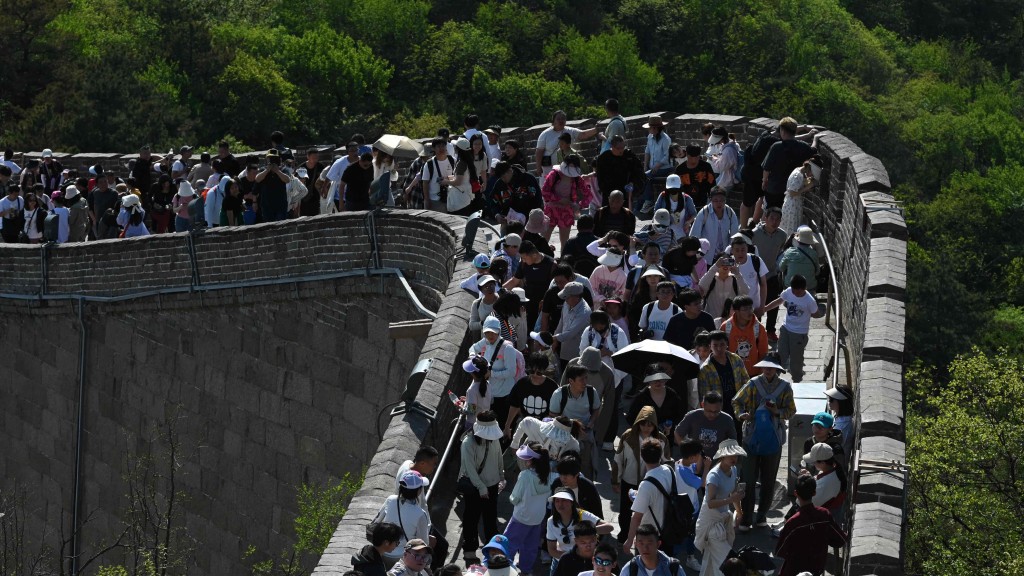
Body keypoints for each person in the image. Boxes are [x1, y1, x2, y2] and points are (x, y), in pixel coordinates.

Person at [732, 353, 796, 530]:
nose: (768, 370)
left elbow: (791, 411)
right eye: (765, 367)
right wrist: (741, 415)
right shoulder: (752, 384)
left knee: (769, 480)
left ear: (777, 369)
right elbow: (737, 401)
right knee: (748, 480)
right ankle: (745, 517)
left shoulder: (785, 388)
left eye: (771, 367)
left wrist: (777, 412)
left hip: (773, 437)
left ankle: (761, 516)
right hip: (751, 436)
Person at [612, 407, 670, 540]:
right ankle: (624, 536)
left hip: (651, 483)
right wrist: (615, 480)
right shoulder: (628, 436)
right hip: (629, 481)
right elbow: (618, 459)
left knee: (647, 514)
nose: (646, 428)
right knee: (625, 512)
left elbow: (667, 461)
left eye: (650, 425)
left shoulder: (661, 439)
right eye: (643, 424)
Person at [774, 475, 847, 576]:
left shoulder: (792, 523)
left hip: (793, 571)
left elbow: (779, 552)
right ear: (814, 492)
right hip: (816, 568)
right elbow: (840, 540)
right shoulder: (824, 514)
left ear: (796, 493)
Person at [694, 439, 745, 576]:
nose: (734, 458)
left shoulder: (733, 470)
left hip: (723, 519)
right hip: (711, 523)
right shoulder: (714, 475)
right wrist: (731, 499)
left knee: (712, 559)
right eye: (730, 455)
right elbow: (710, 503)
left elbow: (734, 493)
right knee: (727, 561)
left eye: (735, 455)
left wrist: (739, 511)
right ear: (723, 456)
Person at [459, 411, 504, 563]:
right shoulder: (468, 443)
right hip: (474, 487)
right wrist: (481, 487)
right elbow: (469, 469)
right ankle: (470, 548)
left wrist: (501, 477)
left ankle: (493, 548)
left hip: (492, 484)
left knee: (491, 518)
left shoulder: (494, 440)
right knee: (471, 518)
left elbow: (499, 458)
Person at [622, 439, 681, 553]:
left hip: (649, 537)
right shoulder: (669, 470)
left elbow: (637, 517)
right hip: (670, 531)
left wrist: (629, 541)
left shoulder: (646, 485)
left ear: (641, 456)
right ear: (660, 454)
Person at [763, 274, 822, 382]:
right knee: (780, 356)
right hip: (786, 329)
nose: (795, 293)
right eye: (794, 291)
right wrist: (765, 308)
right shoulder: (789, 291)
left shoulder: (809, 301)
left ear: (804, 289)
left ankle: (797, 380)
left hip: (799, 334)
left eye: (797, 292)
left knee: (796, 360)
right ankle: (774, 379)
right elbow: (779, 301)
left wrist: (809, 313)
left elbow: (816, 313)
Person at [503, 443, 550, 573]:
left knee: (509, 544)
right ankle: (525, 570)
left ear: (530, 461)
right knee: (530, 547)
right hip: (538, 518)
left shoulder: (525, 475)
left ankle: (505, 570)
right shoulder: (549, 475)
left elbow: (515, 498)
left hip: (521, 517)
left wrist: (509, 497)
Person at [471, 318, 526, 429]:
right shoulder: (485, 342)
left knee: (501, 424)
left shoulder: (507, 348)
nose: (490, 335)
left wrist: (492, 374)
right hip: (490, 393)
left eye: (493, 332)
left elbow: (511, 372)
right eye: (487, 332)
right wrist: (473, 358)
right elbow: (473, 348)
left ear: (498, 331)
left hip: (504, 394)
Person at [549, 365, 601, 478]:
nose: (585, 382)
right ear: (571, 381)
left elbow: (597, 409)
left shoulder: (592, 392)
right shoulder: (559, 394)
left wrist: (591, 422)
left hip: (586, 434)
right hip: (565, 435)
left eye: (586, 378)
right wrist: (571, 426)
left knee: (586, 465)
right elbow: (553, 415)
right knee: (565, 464)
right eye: (581, 379)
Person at [370, 471, 432, 562]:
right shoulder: (420, 514)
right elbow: (423, 543)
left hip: (382, 550)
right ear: (418, 491)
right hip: (401, 557)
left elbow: (376, 522)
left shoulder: (390, 500)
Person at [697, 330, 749, 433]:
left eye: (722, 344)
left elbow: (746, 382)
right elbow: (704, 396)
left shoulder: (736, 359)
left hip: (738, 407)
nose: (719, 348)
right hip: (719, 410)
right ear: (710, 346)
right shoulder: (705, 369)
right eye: (715, 345)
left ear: (727, 345)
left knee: (739, 438)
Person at [761, 117, 816, 212]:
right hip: (793, 189)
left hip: (774, 188)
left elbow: (766, 168)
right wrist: (815, 138)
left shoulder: (776, 146)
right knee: (786, 216)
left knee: (771, 213)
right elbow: (813, 150)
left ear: (782, 131)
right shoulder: (802, 146)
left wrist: (764, 181)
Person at [751, 206, 789, 341]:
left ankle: (770, 330)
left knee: (773, 304)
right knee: (757, 304)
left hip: (772, 273)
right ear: (765, 218)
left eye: (778, 219)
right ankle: (756, 332)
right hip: (756, 275)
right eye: (772, 218)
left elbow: (780, 251)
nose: (774, 221)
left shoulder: (782, 235)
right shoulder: (755, 234)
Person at [541, 155, 592, 252]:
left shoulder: (577, 178)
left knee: (565, 242)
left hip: (566, 211)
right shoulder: (554, 174)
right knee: (544, 239)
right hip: (551, 210)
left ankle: (564, 261)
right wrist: (559, 199)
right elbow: (544, 191)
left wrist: (579, 205)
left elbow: (589, 195)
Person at [546, 499, 609, 574]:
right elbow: (552, 550)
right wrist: (571, 558)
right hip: (561, 560)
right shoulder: (551, 521)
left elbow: (609, 527)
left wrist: (588, 530)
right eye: (557, 501)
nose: (560, 504)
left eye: (564, 500)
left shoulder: (582, 514)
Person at [505, 241, 558, 331]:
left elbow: (555, 287)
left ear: (534, 255)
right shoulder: (523, 264)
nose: (523, 260)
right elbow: (514, 281)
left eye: (525, 258)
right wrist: (500, 289)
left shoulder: (552, 265)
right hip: (527, 305)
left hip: (544, 307)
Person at [504, 352, 558, 437]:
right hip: (524, 425)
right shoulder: (521, 383)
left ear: (545, 370)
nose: (535, 375)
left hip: (544, 428)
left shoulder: (552, 387)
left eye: (539, 373)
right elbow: (514, 405)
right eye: (532, 371)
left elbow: (555, 412)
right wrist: (507, 426)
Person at [534, 110, 600, 179]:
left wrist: (596, 129)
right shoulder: (545, 134)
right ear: (553, 121)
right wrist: (538, 167)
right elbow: (539, 151)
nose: (561, 121)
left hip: (565, 170)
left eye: (563, 118)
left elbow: (583, 134)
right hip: (548, 168)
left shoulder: (569, 131)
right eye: (558, 119)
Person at [625, 367, 687, 440]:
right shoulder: (641, 396)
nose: (658, 382)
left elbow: (680, 413)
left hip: (667, 436)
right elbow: (631, 417)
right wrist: (643, 428)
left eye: (661, 379)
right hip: (646, 438)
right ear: (649, 381)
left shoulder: (672, 394)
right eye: (654, 379)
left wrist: (671, 424)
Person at [674, 392, 736, 462]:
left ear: (721, 406)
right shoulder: (692, 416)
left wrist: (724, 458)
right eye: (709, 411)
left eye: (716, 411)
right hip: (695, 463)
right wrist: (686, 451)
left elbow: (733, 442)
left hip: (717, 462)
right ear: (702, 405)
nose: (712, 415)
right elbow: (678, 433)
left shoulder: (727, 419)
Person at [720, 295, 768, 376]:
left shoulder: (759, 327)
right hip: (732, 373)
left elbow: (763, 352)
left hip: (753, 373)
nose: (749, 311)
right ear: (736, 311)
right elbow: (720, 350)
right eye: (745, 309)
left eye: (750, 308)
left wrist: (761, 372)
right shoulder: (726, 326)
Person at [690, 187, 739, 266]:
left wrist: (731, 250)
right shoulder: (704, 212)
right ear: (710, 200)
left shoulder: (730, 212)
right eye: (715, 200)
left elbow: (735, 235)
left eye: (721, 200)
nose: (719, 203)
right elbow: (695, 233)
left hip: (724, 255)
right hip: (706, 256)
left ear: (725, 200)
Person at [801, 442, 848, 524]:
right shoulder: (832, 470)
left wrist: (803, 482)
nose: (813, 464)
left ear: (822, 463)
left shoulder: (828, 482)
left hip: (823, 523)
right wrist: (810, 477)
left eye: (814, 462)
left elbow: (806, 503)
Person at [489, 161, 543, 230]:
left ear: (510, 171)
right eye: (501, 178)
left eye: (503, 176)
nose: (503, 179)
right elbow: (493, 200)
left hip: (528, 222)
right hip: (508, 223)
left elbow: (537, 200)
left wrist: (534, 218)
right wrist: (497, 214)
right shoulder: (500, 183)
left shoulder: (528, 179)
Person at [593, 135, 644, 208]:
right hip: (609, 193)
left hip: (625, 192)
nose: (621, 150)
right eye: (618, 148)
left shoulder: (629, 156)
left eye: (623, 147)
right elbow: (601, 178)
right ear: (612, 147)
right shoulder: (603, 158)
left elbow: (638, 172)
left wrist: (632, 183)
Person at [551, 452, 604, 519]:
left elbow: (597, 511)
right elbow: (554, 508)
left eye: (566, 475)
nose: (563, 478)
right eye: (561, 474)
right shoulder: (557, 484)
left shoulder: (588, 486)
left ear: (576, 474)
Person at [552, 283, 592, 368]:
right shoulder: (567, 304)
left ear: (576, 297)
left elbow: (570, 333)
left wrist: (553, 338)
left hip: (576, 355)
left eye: (567, 296)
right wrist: (554, 342)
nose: (565, 299)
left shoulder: (585, 313)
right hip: (563, 352)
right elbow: (561, 323)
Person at [620, 524, 684, 576]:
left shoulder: (673, 568)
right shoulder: (630, 569)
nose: (645, 548)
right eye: (641, 543)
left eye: (650, 543)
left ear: (658, 544)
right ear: (635, 544)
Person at [639, 116, 673, 214]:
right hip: (652, 168)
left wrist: (657, 166)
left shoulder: (665, 139)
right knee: (644, 176)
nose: (649, 129)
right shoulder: (650, 137)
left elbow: (667, 156)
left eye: (650, 127)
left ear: (655, 128)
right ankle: (644, 202)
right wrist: (645, 166)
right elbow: (647, 151)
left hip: (664, 168)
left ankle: (649, 201)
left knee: (646, 176)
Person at [781, 156, 822, 235]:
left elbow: (798, 187)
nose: (811, 176)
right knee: (791, 231)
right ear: (809, 168)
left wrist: (807, 185)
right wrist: (808, 186)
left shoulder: (799, 171)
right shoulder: (797, 175)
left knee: (791, 229)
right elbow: (792, 192)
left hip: (794, 205)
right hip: (792, 206)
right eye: (812, 173)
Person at [698, 254, 749, 318]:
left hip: (730, 321)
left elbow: (746, 292)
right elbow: (701, 286)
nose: (725, 265)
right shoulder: (711, 278)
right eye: (722, 262)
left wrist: (738, 274)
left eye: (728, 262)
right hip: (712, 319)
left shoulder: (735, 279)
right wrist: (714, 267)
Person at [510, 415, 580, 461]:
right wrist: (515, 444)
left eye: (559, 435)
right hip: (532, 457)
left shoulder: (573, 445)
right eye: (553, 432)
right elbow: (525, 421)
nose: (555, 437)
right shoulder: (537, 427)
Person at [778, 226, 821, 293]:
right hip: (809, 287)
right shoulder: (814, 253)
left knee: (783, 272)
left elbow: (781, 268)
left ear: (798, 240)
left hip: (790, 286)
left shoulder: (789, 252)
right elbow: (817, 272)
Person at [653, 174, 697, 239]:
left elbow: (694, 214)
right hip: (665, 235)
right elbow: (656, 212)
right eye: (671, 188)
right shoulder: (662, 196)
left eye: (675, 188)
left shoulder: (687, 199)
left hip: (682, 235)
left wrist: (688, 222)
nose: (673, 190)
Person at [674, 144, 717, 209]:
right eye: (691, 157)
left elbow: (713, 185)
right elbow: (676, 188)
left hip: (703, 203)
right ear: (687, 155)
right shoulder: (680, 169)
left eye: (696, 157)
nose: (694, 160)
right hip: (686, 204)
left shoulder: (706, 166)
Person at [421, 137, 456, 214]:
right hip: (435, 200)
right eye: (438, 146)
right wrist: (427, 200)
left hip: (451, 198)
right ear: (433, 148)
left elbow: (457, 176)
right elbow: (425, 182)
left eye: (443, 146)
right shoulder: (429, 164)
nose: (441, 148)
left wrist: (446, 179)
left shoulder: (452, 160)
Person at [255, 150, 290, 221]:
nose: (272, 160)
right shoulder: (263, 170)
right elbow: (257, 179)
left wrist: (277, 171)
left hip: (280, 204)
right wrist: (267, 170)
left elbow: (287, 180)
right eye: (270, 158)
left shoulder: (283, 169)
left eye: (274, 158)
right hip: (266, 205)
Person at [825, 386, 855, 458]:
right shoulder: (841, 418)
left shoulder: (842, 426)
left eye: (831, 400)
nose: (829, 402)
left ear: (840, 403)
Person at [707, 128, 740, 192]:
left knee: (714, 198)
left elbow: (721, 167)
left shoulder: (728, 150)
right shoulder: (731, 146)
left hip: (727, 181)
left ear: (721, 139)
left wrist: (713, 158)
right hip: (725, 178)